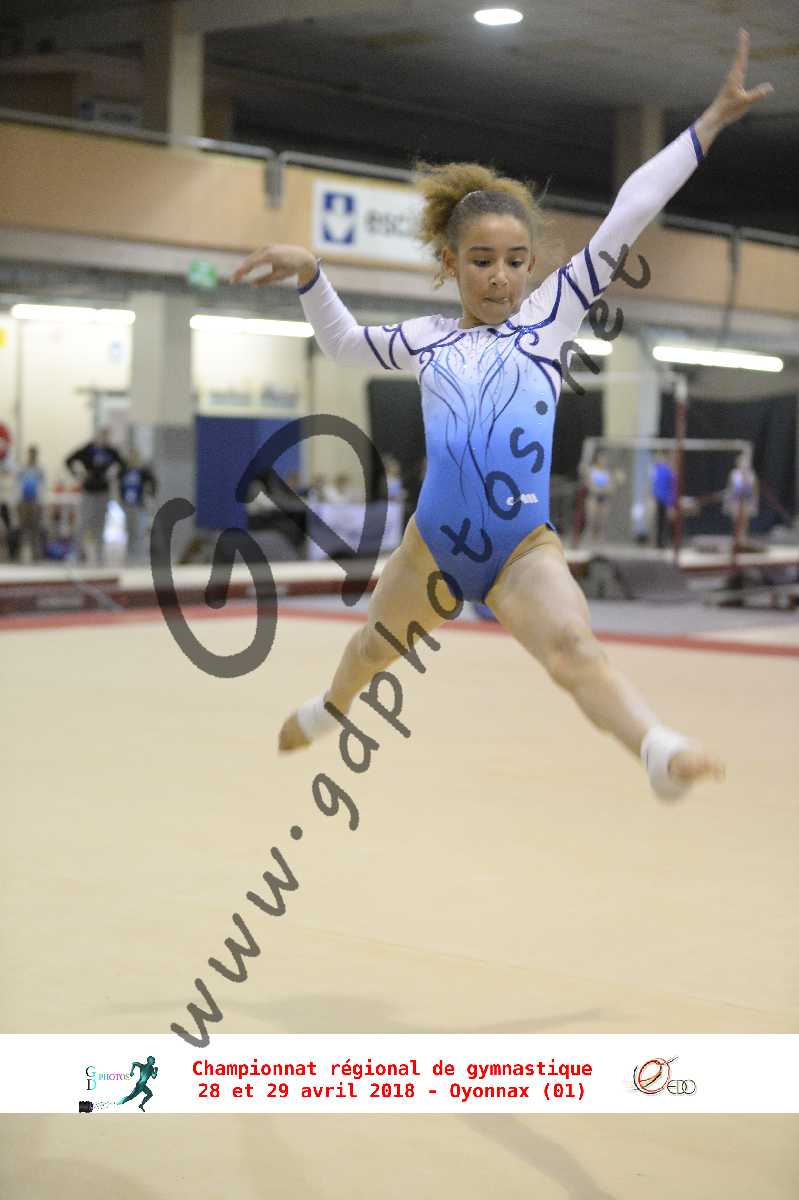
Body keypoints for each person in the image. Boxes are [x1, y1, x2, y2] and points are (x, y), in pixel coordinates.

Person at [232, 31, 771, 801]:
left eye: (516, 261)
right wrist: (312, 275)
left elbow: (630, 209)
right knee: (370, 653)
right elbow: (345, 344)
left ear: (531, 264)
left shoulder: (553, 316)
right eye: (482, 262)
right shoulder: (426, 339)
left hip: (521, 549)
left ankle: (656, 749)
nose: (501, 278)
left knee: (573, 648)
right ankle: (330, 709)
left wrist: (708, 123)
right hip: (431, 550)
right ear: (450, 264)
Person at [65, 428, 126, 565]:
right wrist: (78, 473)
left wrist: (115, 473)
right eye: (100, 435)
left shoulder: (111, 451)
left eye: (105, 436)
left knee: (100, 523)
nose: (103, 439)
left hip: (103, 491)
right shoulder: (88, 449)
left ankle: (99, 554)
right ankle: (76, 552)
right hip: (88, 491)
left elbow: (123, 465)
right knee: (83, 522)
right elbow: (69, 460)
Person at [118, 448, 157, 564]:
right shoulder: (124, 471)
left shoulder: (142, 471)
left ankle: (140, 553)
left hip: (139, 505)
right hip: (127, 505)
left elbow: (152, 482)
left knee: (140, 530)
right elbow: (119, 486)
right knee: (129, 529)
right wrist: (120, 501)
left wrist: (150, 495)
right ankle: (130, 553)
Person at [580, 450, 624, 545]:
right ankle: (588, 538)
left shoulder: (608, 472)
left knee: (602, 521)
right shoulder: (591, 470)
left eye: (604, 459)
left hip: (604, 498)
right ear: (597, 459)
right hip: (594, 497)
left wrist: (616, 482)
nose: (603, 461)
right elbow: (588, 483)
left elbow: (612, 486)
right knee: (591, 519)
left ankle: (600, 539)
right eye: (601, 458)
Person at [17, 445, 47, 563]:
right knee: (23, 527)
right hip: (24, 501)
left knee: (35, 527)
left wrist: (42, 501)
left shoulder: (40, 469)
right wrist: (17, 500)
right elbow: (17, 484)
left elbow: (43, 486)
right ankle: (20, 552)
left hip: (35, 501)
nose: (32, 456)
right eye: (30, 454)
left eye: (34, 454)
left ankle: (36, 553)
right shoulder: (23, 468)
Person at [723, 451, 759, 543]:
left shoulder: (751, 474)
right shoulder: (734, 474)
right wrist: (728, 502)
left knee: (745, 520)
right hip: (735, 501)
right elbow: (730, 488)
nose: (744, 464)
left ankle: (743, 536)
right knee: (736, 520)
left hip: (747, 501)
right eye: (742, 462)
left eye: (745, 462)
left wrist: (755, 502)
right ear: (738, 463)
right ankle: (736, 537)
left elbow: (755, 490)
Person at [650, 450, 677, 549]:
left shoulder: (666, 471)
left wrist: (671, 503)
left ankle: (666, 542)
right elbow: (655, 485)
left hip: (666, 499)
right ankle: (660, 542)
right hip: (660, 499)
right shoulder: (658, 470)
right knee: (660, 522)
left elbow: (672, 486)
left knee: (665, 522)